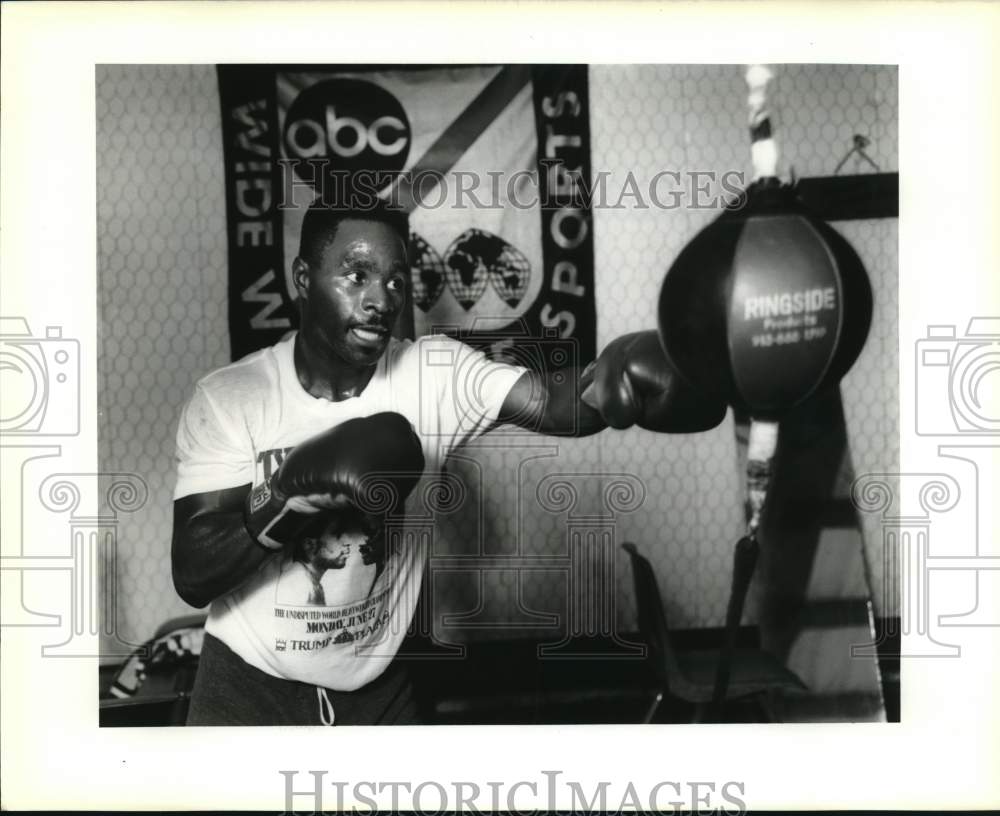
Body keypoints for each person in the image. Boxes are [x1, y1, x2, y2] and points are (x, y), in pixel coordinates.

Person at [171, 197, 725, 726]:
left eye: (393, 280)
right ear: (302, 280)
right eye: (356, 275)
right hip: (245, 691)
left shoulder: (432, 373)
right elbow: (194, 573)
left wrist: (617, 376)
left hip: (378, 693)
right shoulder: (231, 397)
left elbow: (552, 401)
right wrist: (288, 497)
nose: (380, 300)